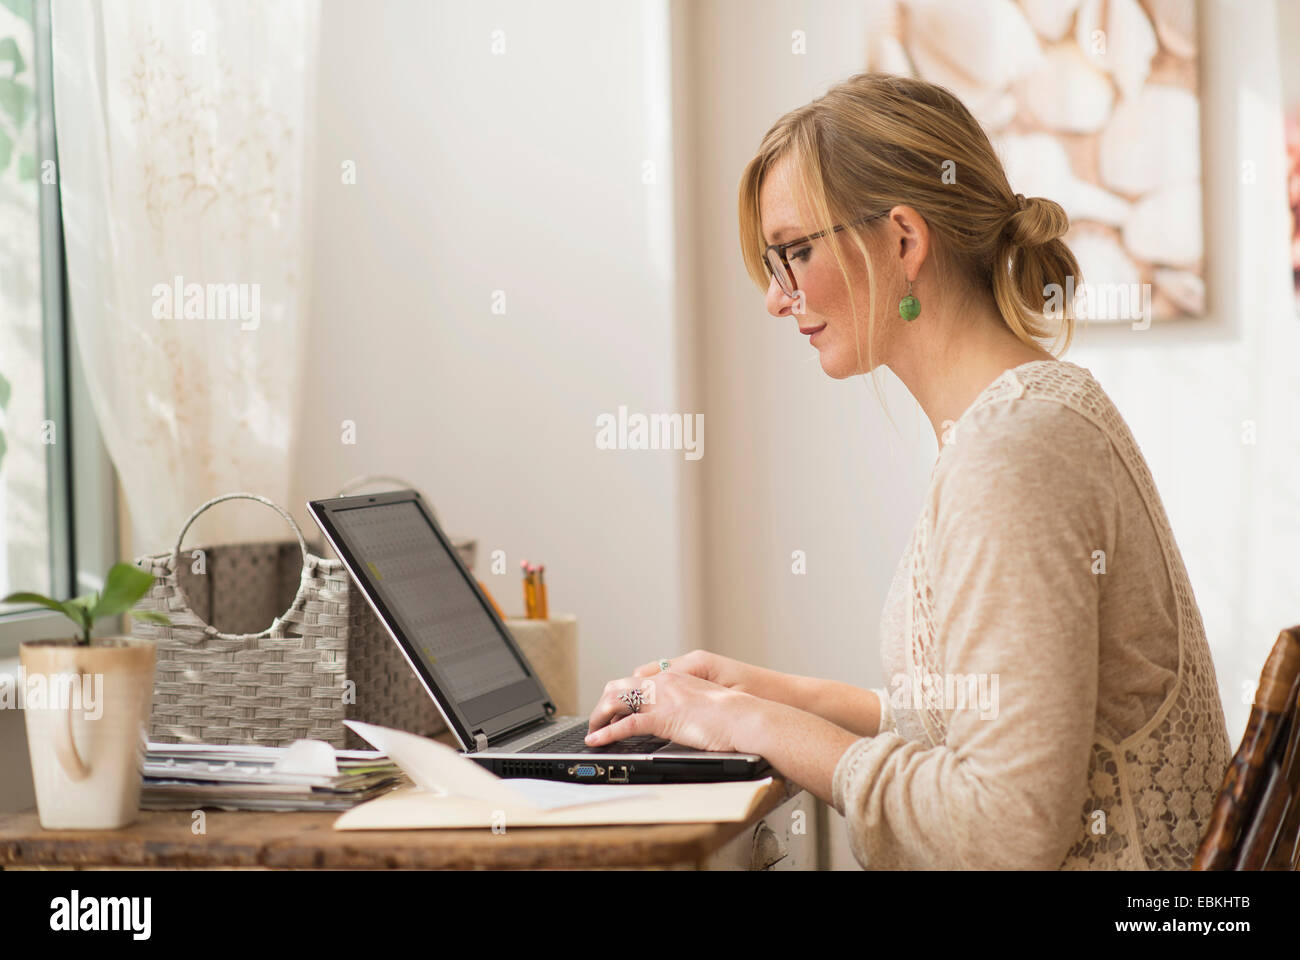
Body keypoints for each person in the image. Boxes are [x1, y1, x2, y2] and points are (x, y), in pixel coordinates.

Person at [583, 72, 1233, 869]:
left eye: (792, 252)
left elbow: (1005, 828)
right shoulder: (1028, 415)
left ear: (902, 240)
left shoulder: (1013, 453)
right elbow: (976, 724)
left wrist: (749, 726)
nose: (776, 298)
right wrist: (759, 694)